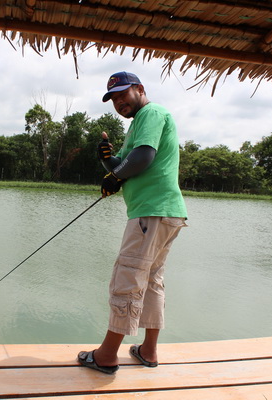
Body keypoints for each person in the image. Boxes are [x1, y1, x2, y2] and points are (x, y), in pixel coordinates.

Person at [77, 71, 188, 374]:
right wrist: (107, 160)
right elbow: (125, 164)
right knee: (151, 280)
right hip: (166, 212)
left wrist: (115, 176)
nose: (118, 101)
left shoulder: (152, 112)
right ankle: (148, 351)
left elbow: (142, 159)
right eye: (113, 98)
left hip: (150, 212)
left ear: (140, 88)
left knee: (128, 277)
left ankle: (106, 356)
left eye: (123, 94)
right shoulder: (139, 124)